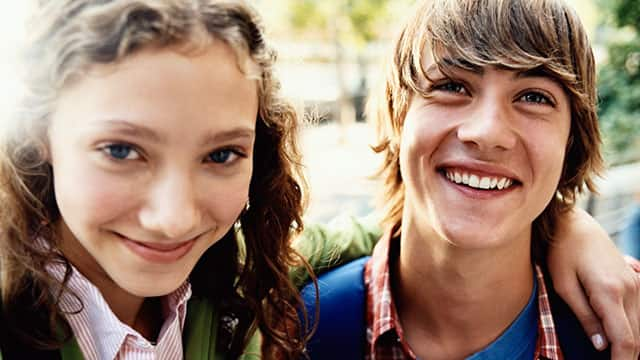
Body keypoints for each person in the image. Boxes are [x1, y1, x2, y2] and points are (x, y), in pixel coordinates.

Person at [0, 1, 637, 359]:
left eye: (222, 155)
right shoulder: (289, 326)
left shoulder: (243, 290)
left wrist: (559, 218)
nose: (173, 215)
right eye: (450, 85)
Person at [303, 0, 640, 359]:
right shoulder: (289, 333)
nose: (487, 132)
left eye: (533, 97)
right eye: (452, 86)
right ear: (398, 113)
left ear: (571, 142)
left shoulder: (625, 323)